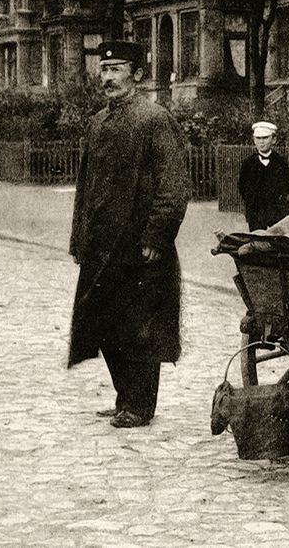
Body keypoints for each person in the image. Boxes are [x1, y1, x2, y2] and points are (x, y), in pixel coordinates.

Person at [68, 40, 191, 429]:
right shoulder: (96, 123)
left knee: (140, 328)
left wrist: (157, 236)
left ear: (136, 75)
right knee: (103, 324)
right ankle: (126, 397)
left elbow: (174, 186)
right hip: (102, 247)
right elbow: (85, 187)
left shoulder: (154, 119)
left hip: (139, 247)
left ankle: (139, 405)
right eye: (104, 70)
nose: (108, 78)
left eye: (117, 69)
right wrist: (79, 238)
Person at [237, 121, 289, 230]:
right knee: (258, 242)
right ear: (254, 140)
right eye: (258, 138)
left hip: (277, 211)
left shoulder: (281, 162)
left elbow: (285, 187)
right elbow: (243, 188)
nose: (261, 142)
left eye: (265, 138)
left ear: (274, 139)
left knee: (279, 241)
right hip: (256, 211)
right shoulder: (248, 163)